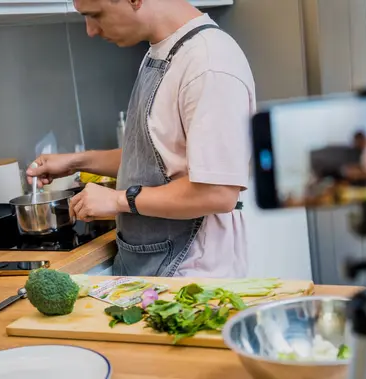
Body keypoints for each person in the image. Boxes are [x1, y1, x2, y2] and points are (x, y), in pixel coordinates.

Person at [26, 0, 256, 278]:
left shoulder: (209, 63)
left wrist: (118, 200)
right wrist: (78, 162)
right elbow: (154, 158)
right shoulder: (161, 52)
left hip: (195, 282)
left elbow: (217, 192)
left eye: (95, 14)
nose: (90, 30)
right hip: (154, 272)